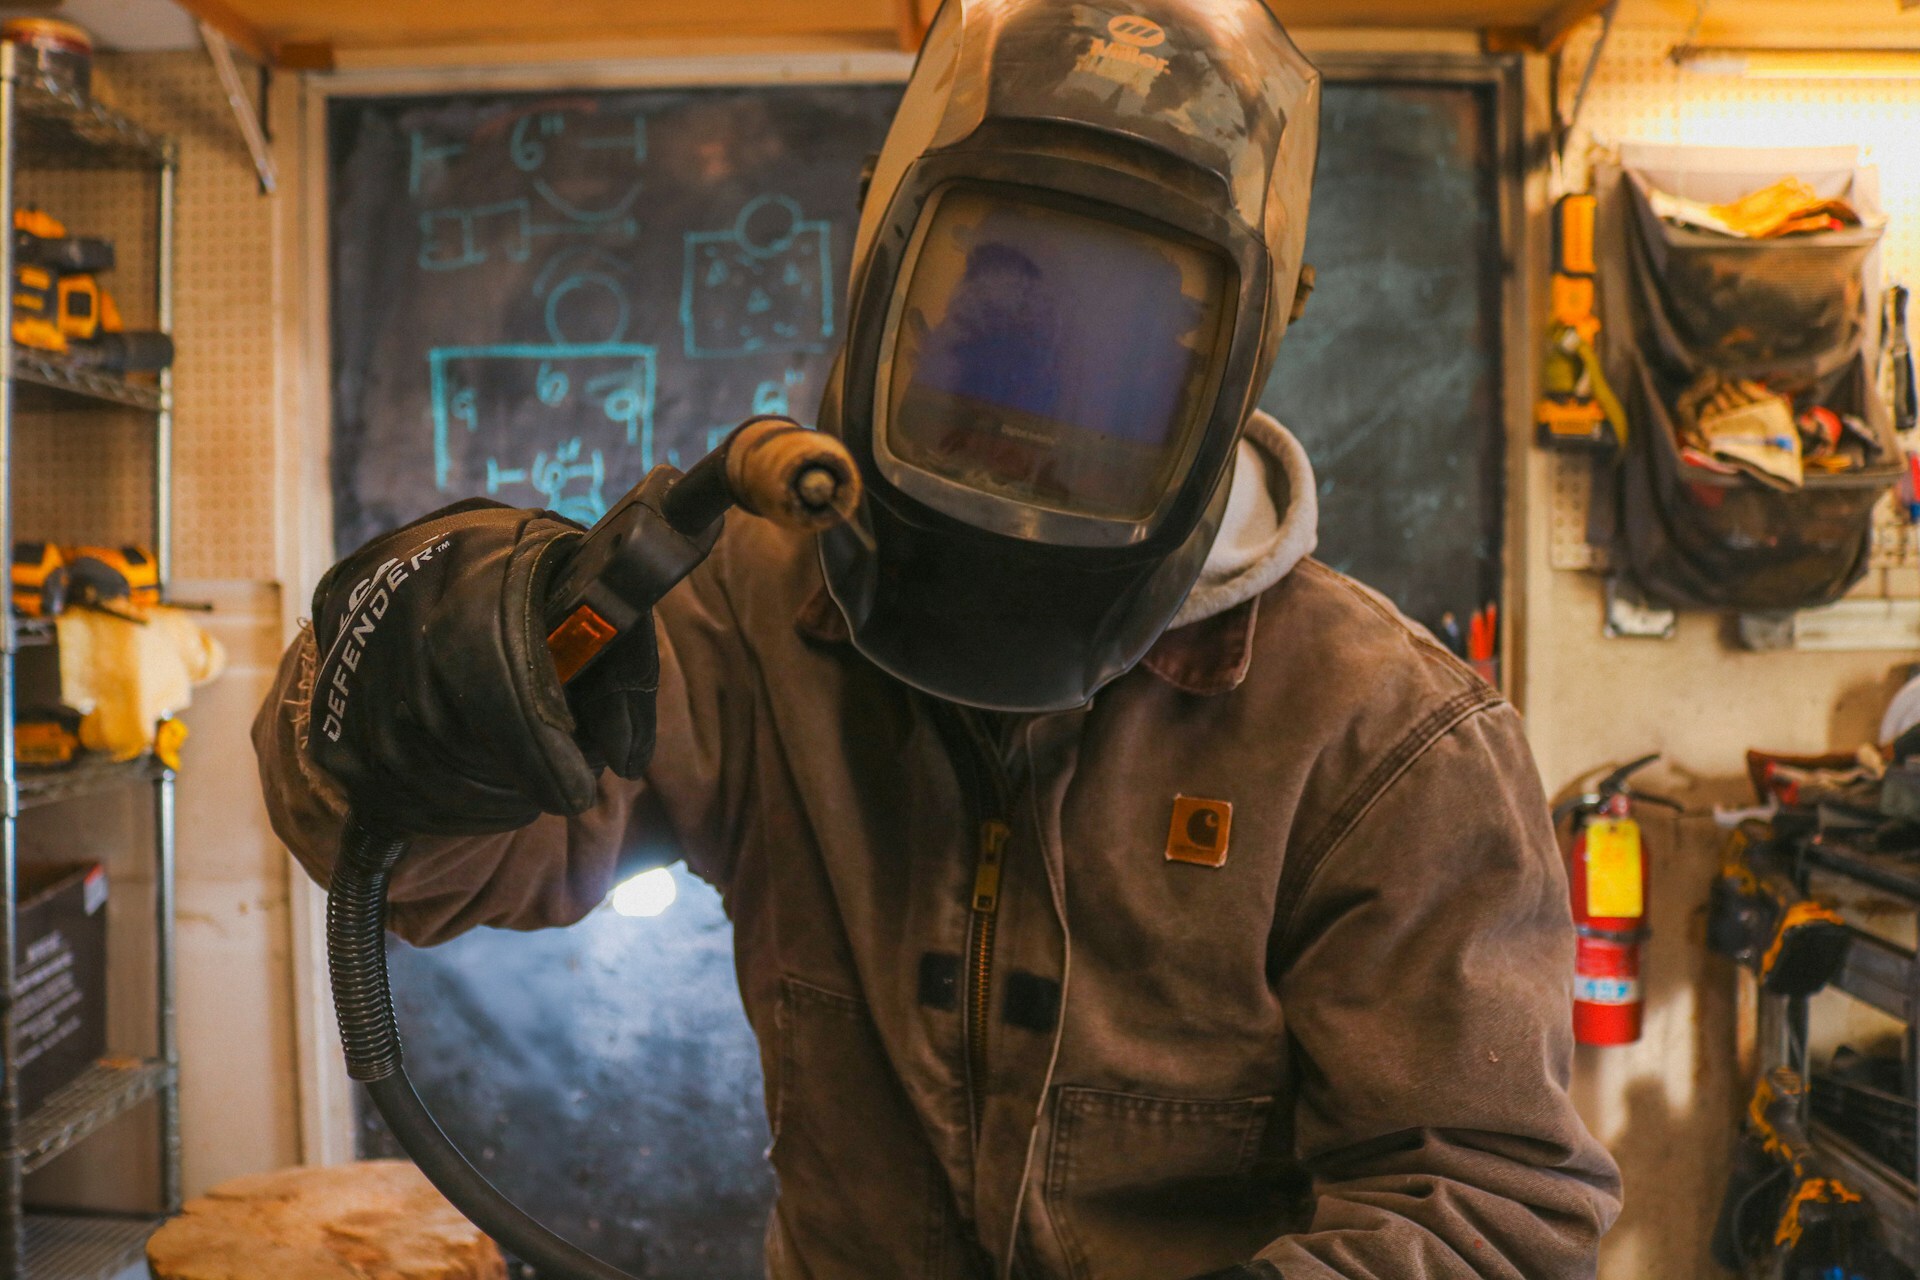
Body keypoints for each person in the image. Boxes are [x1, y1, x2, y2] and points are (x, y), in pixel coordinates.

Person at [256, 2, 1622, 1277]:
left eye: (1114, 343)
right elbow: (435, 872)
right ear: (888, 279)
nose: (1031, 390)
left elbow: (1489, 1200)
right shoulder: (749, 609)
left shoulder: (1385, 737)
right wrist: (402, 713)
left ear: (1235, 356)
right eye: (998, 300)